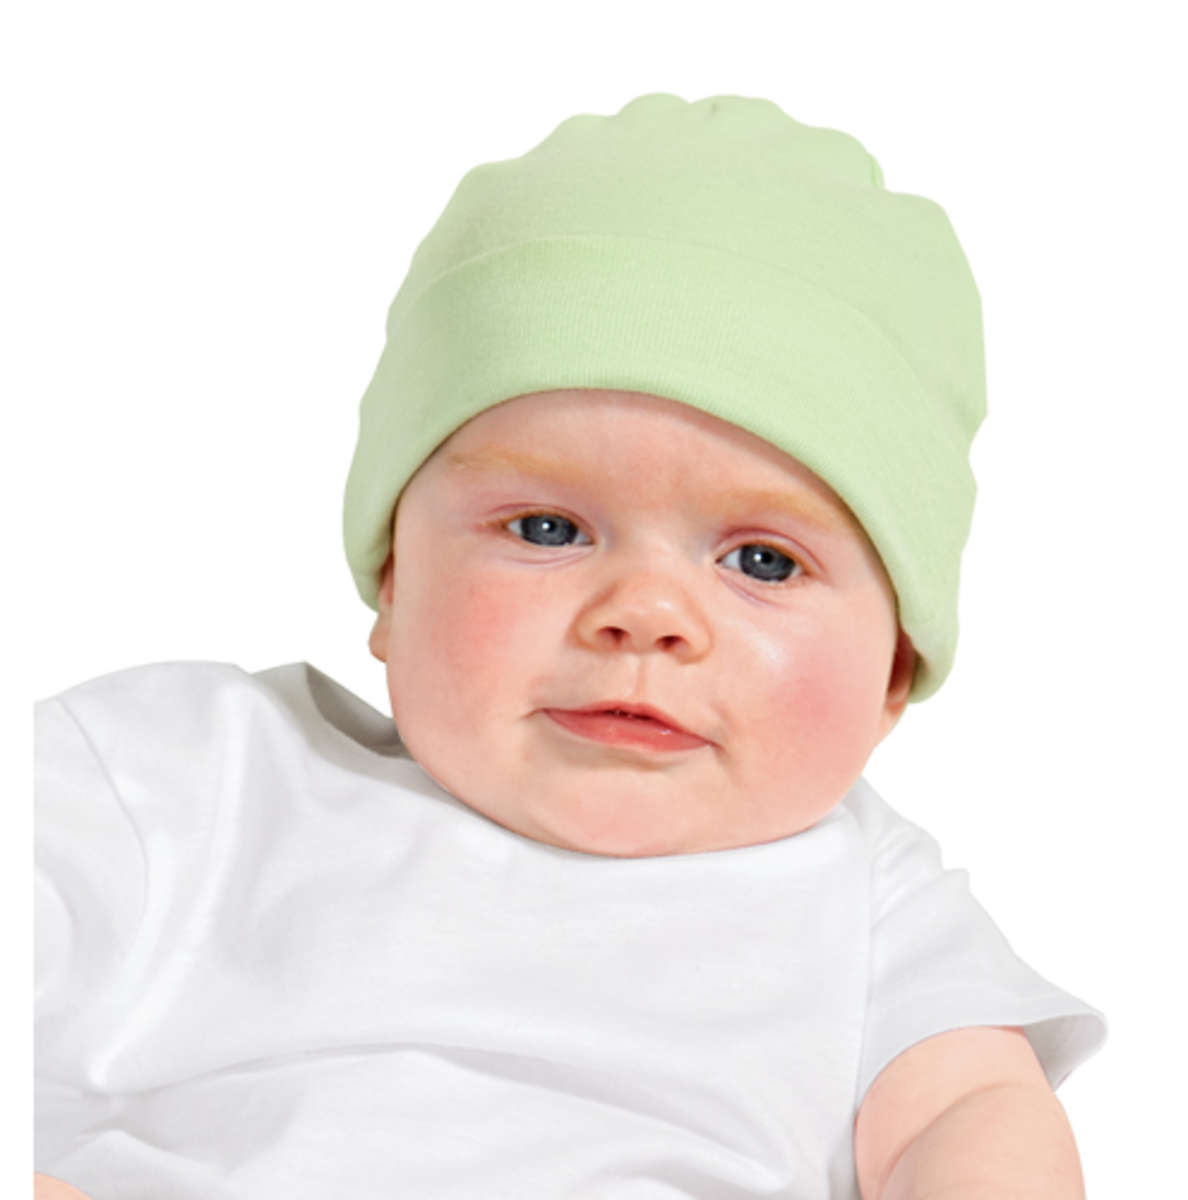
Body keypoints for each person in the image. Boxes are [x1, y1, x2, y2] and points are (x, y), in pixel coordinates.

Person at [34, 93, 1108, 1199]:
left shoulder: (872, 906)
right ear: (395, 578)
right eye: (547, 530)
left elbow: (971, 1116)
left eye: (764, 560)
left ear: (895, 671)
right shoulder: (194, 780)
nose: (644, 613)